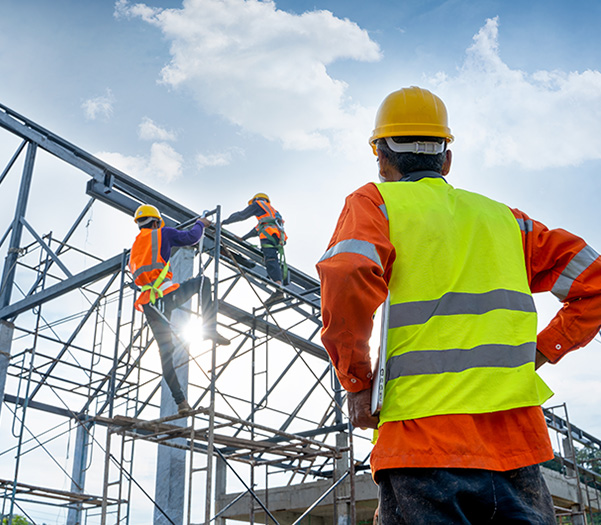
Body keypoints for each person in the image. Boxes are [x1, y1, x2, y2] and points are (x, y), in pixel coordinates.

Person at [316, 86, 601, 523]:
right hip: (516, 450)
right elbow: (594, 279)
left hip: (420, 446)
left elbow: (347, 273)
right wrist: (543, 349)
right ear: (446, 159)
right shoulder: (506, 220)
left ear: (380, 157)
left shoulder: (374, 204)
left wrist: (356, 381)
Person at [129, 204, 230, 413]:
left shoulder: (136, 246)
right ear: (156, 222)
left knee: (165, 353)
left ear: (139, 224)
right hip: (165, 294)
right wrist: (200, 224)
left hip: (149, 303)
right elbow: (191, 238)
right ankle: (209, 328)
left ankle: (181, 403)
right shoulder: (162, 233)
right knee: (203, 282)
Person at [223, 193, 289, 305]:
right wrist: (243, 238)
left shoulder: (258, 204)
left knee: (271, 260)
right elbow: (256, 230)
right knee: (271, 259)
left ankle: (278, 289)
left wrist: (223, 222)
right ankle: (278, 287)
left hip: (269, 236)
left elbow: (241, 215)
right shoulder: (271, 213)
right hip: (276, 237)